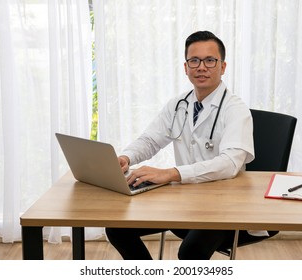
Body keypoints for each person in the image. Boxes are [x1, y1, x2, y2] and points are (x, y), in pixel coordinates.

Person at [105, 30, 255, 260]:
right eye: (194, 60)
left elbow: (229, 164)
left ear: (222, 67)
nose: (201, 67)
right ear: (186, 67)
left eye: (210, 60)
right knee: (116, 229)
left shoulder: (235, 109)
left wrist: (171, 173)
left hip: (223, 207)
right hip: (186, 201)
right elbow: (151, 139)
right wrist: (127, 157)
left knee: (191, 251)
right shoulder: (179, 105)